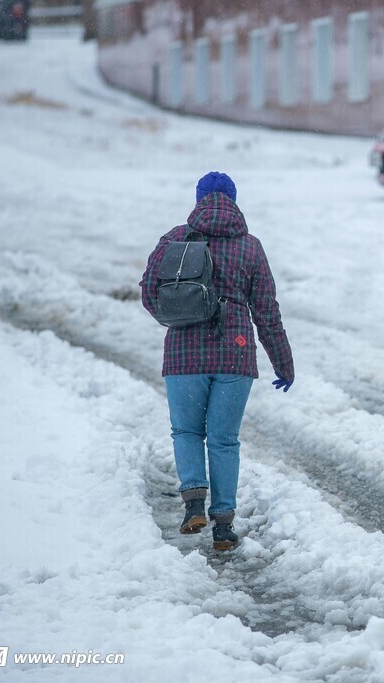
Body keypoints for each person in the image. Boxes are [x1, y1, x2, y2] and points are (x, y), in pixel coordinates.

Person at [140, 171, 294, 551]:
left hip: (182, 355)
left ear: (198, 199)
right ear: (234, 200)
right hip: (235, 352)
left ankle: (194, 502)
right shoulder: (250, 246)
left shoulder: (175, 238)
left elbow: (148, 290)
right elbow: (266, 312)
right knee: (224, 441)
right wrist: (283, 362)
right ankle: (223, 527)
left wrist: (173, 317)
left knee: (187, 432)